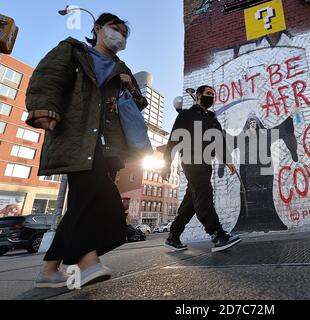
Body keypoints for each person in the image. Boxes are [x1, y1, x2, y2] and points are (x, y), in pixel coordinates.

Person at [26, 13, 148, 288]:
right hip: (78, 138)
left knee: (82, 203)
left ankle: (48, 270)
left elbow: (138, 106)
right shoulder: (72, 51)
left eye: (124, 34)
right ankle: (87, 262)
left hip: (111, 145)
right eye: (114, 29)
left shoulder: (122, 67)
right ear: (97, 29)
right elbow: (47, 79)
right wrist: (44, 110)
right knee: (102, 199)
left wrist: (131, 87)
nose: (120, 36)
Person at [161, 85, 242, 252]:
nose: (211, 97)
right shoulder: (186, 115)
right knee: (204, 192)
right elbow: (173, 139)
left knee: (191, 202)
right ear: (198, 96)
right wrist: (167, 163)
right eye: (208, 94)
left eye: (213, 94)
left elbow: (219, 142)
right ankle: (217, 234)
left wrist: (228, 161)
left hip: (206, 163)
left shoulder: (212, 119)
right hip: (191, 160)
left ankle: (173, 236)